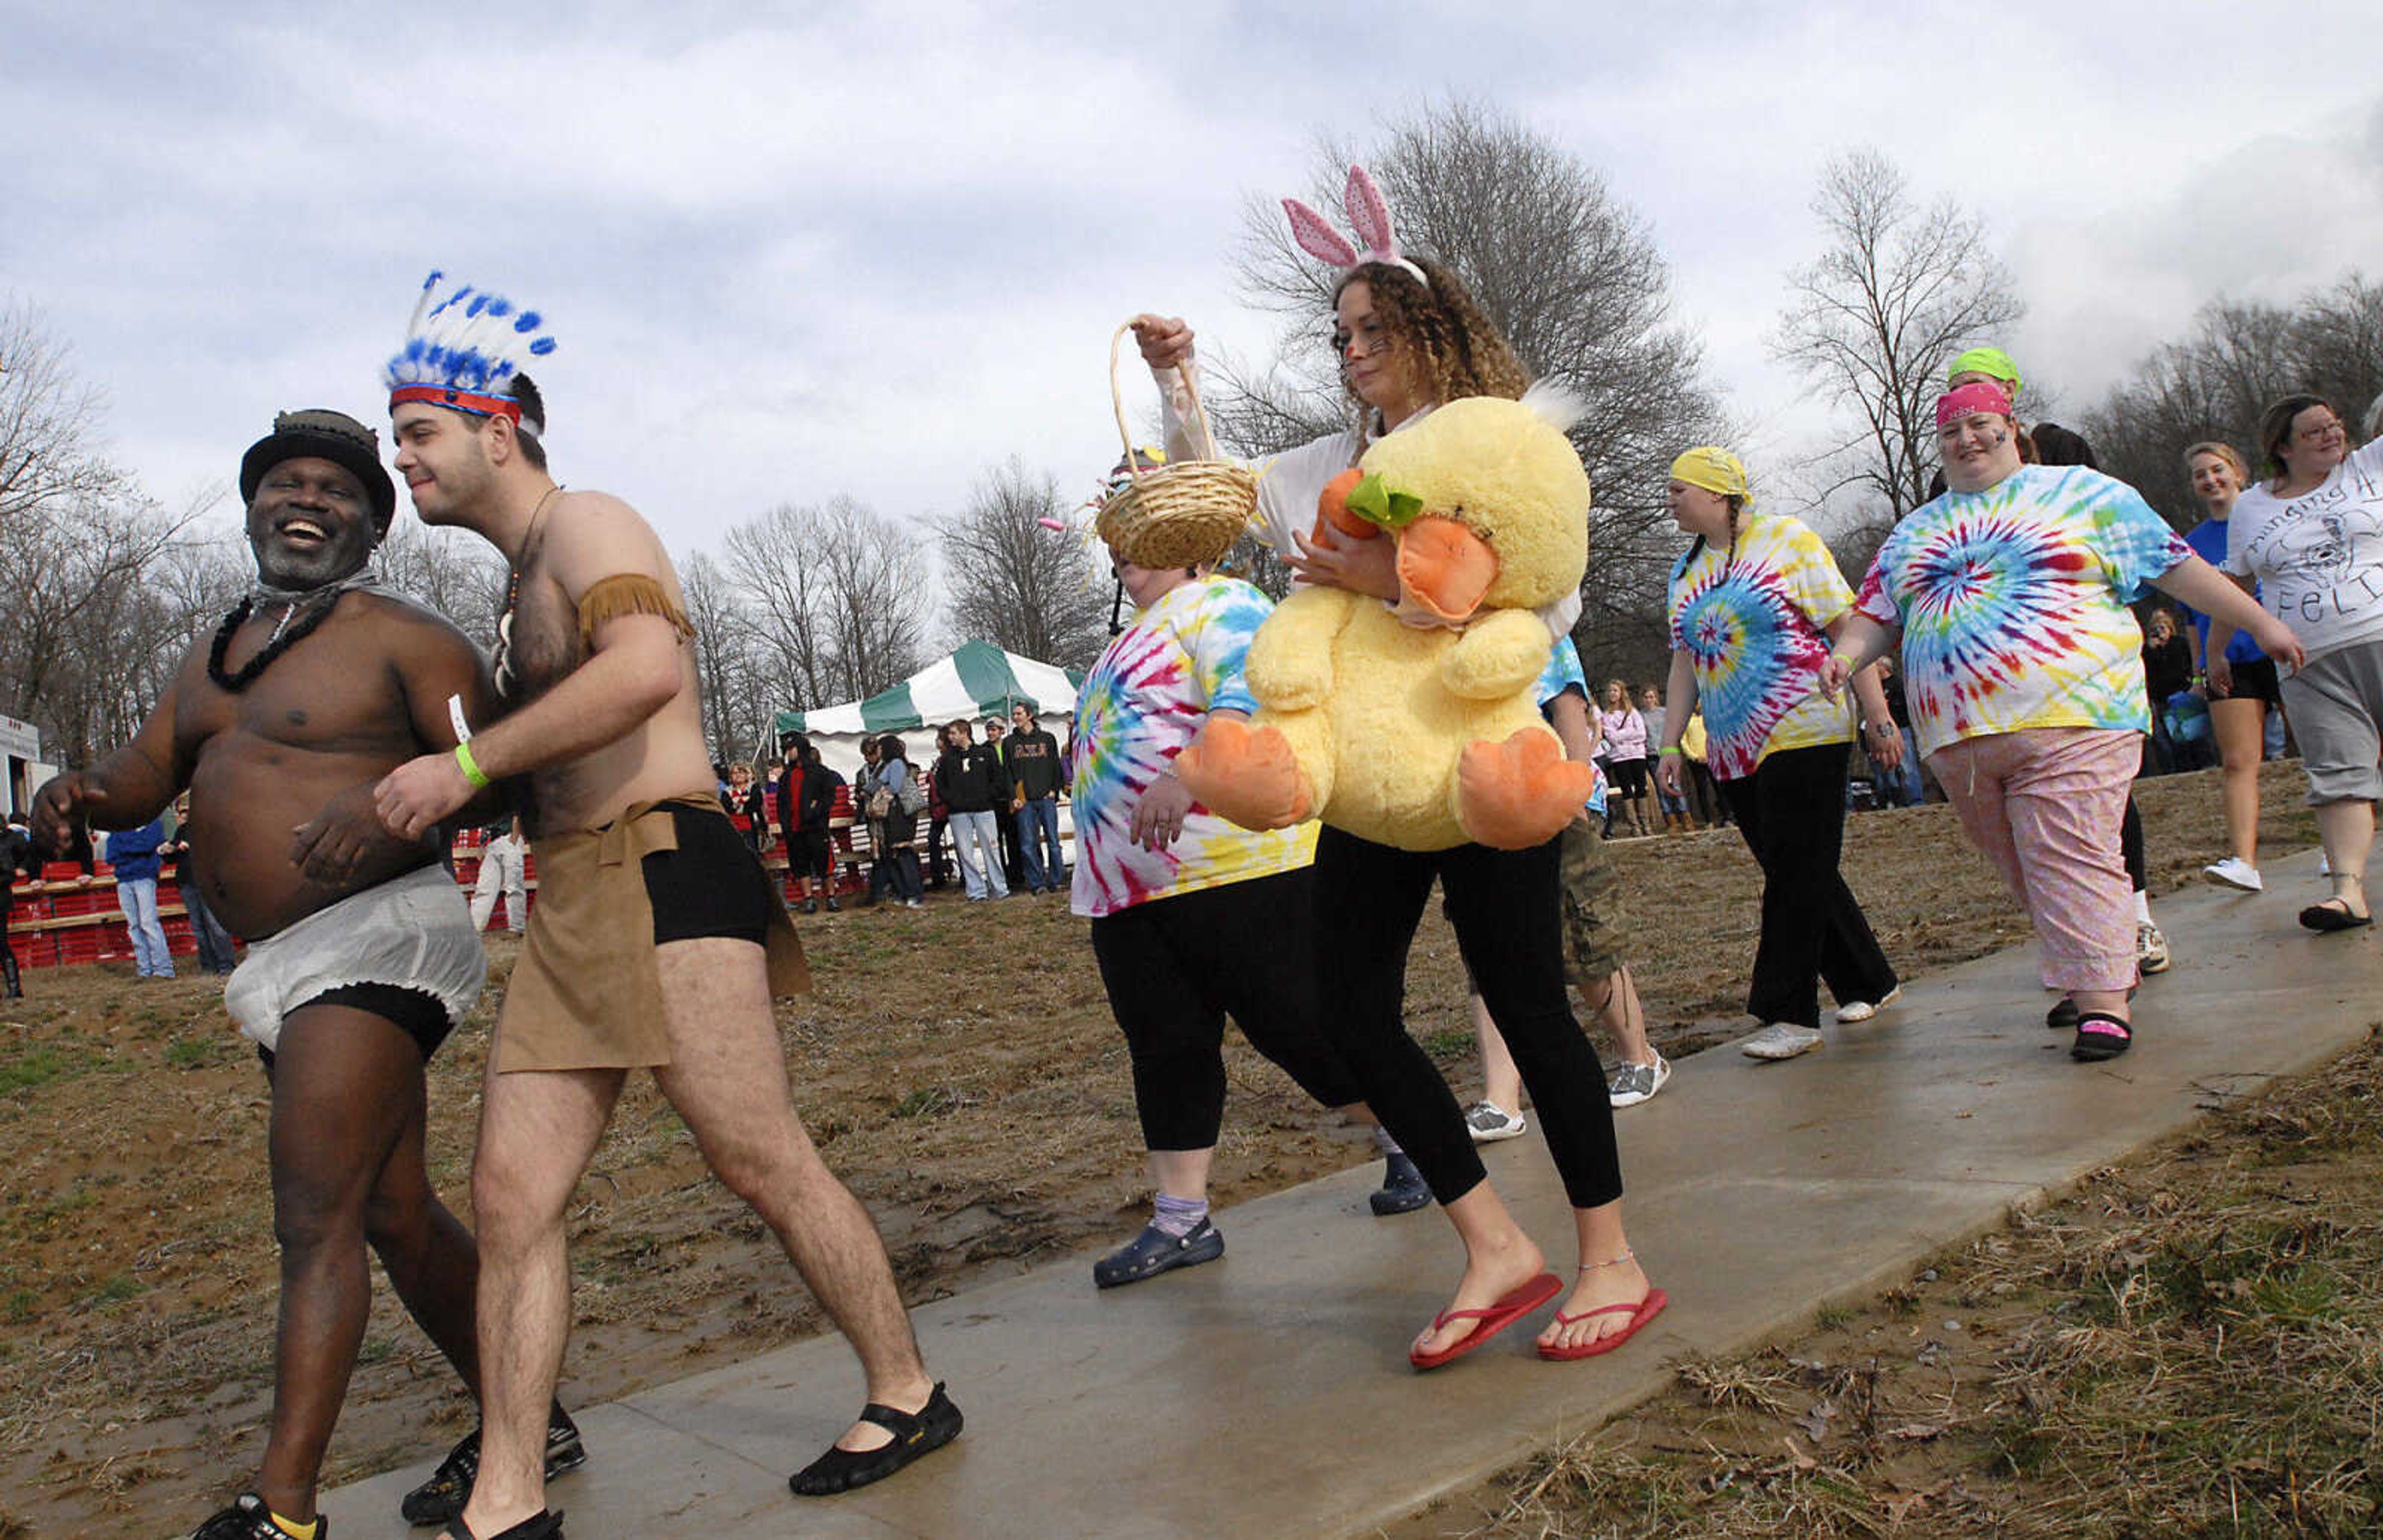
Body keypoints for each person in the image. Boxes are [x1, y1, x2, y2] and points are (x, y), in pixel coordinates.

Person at [369, 279, 955, 1536]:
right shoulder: (522, 570)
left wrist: (465, 765)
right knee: (514, 1196)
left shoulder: (590, 519)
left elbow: (645, 671)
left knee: (758, 1155)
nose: (400, 456)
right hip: (574, 895)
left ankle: (907, 1387)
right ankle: (510, 1493)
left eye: (417, 431)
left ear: (499, 430)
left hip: (664, 866)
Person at [1138, 164, 1659, 1364]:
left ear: (1432, 328)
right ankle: (1493, 1244)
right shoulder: (1336, 455)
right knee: (1348, 1009)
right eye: (1341, 334)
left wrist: (1380, 579)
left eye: (1374, 329)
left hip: (1480, 769)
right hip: (1374, 782)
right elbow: (1212, 496)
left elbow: (1551, 591)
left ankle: (1613, 1259)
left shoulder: (1496, 444)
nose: (1353, 349)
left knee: (1528, 1004)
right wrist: (1179, 381)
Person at [30, 407, 568, 1540]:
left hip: (380, 937)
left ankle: (285, 1507)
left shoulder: (406, 638)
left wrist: (386, 816)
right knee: (388, 1208)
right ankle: (533, 1417)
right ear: (253, 507)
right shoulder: (215, 650)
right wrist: (79, 791)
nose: (306, 501)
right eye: (285, 485)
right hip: (275, 964)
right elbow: (144, 772)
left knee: (312, 1211)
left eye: (335, 490)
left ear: (373, 527)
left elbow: (500, 774)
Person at [1825, 382, 2302, 1060]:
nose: (1967, 441)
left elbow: (2180, 568)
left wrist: (2261, 624)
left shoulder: (2083, 495)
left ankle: (2103, 999)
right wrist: (1844, 661)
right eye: (1952, 433)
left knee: (2070, 850)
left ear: (2012, 428)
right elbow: (1876, 615)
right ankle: (2089, 970)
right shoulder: (1916, 530)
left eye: (1981, 425)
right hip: (1960, 740)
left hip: (2077, 713)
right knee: (2022, 862)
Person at [1072, 532, 1427, 1289]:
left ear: (1189, 544)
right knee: (1166, 1050)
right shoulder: (1124, 637)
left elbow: (1253, 689)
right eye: (1118, 544)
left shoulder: (1223, 601)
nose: (1124, 554)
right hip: (1130, 891)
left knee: (1307, 1031)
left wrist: (1188, 777)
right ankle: (1182, 1220)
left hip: (1237, 873)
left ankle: (1418, 1143)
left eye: (1143, 539)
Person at [1653, 447, 1902, 1060]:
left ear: (1717, 494)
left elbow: (1848, 626)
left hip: (1805, 720)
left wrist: (1877, 714)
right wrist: (1670, 743)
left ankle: (1789, 1010)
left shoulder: (1787, 541)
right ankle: (1869, 978)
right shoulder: (1684, 573)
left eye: (1678, 489)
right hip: (1732, 743)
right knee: (1797, 866)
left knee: (1795, 866)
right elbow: (1685, 660)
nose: (1670, 500)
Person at [1948, 354, 2174, 979]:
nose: (1967, 412)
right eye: (1955, 396)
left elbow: (2119, 536)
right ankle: (2078, 951)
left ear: (2010, 395)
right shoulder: (1954, 476)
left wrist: (2147, 609)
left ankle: (2137, 918)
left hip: (2083, 657)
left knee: (2103, 805)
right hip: (2001, 677)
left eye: (1980, 393)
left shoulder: (2062, 449)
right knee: (2034, 828)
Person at [1468, 640, 1668, 1130]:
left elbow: (1568, 706)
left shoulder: (1534, 624)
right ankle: (1502, 1099)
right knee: (1486, 950)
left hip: (1551, 801)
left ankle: (1640, 1058)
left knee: (1581, 937)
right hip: (1478, 809)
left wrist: (1576, 785)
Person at [2205, 394, 2383, 930]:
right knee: (2337, 772)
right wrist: (2215, 652)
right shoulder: (2252, 507)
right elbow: (2233, 584)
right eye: (2314, 432)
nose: (2332, 436)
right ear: (2281, 447)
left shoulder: (2368, 467)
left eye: (2334, 426)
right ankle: (2348, 892)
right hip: (2310, 661)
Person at [2176, 441, 2285, 887]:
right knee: (2239, 761)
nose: (2210, 480)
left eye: (2217, 470)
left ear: (2237, 472)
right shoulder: (2192, 544)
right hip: (2228, 662)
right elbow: (2190, 620)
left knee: (2324, 751)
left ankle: (2336, 847)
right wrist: (2200, 670)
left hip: (2283, 649)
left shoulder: (2269, 516)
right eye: (2201, 474)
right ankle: (2244, 861)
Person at [933, 719, 1009, 900]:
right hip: (959, 813)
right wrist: (952, 801)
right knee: (965, 853)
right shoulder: (947, 759)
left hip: (984, 809)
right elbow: (940, 784)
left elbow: (998, 779)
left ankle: (999, 888)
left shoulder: (985, 753)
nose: (950, 737)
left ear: (964, 733)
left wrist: (987, 796)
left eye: (953, 733)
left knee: (991, 849)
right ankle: (976, 891)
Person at [168, 793, 241, 975]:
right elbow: (173, 857)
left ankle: (227, 964)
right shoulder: (181, 830)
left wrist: (191, 846)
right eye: (180, 812)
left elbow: (218, 851)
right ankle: (208, 966)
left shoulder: (208, 828)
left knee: (215, 925)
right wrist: (167, 850)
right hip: (186, 882)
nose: (183, 816)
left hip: (206, 881)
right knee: (198, 928)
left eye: (185, 811)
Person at [1007, 701, 1067, 893]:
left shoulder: (1047, 739)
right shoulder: (1010, 742)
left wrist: (1054, 790)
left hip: (1046, 798)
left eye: (1019, 714)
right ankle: (1037, 883)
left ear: (1029, 715)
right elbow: (1007, 773)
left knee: (1053, 842)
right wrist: (1012, 797)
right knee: (1027, 845)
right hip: (1024, 801)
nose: (1015, 717)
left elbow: (1056, 767)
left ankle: (1056, 879)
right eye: (1014, 714)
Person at [105, 813, 175, 978]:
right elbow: (111, 856)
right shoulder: (117, 827)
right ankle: (145, 968)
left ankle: (163, 969)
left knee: (149, 923)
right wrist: (140, 848)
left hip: (145, 878)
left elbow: (150, 844)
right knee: (134, 926)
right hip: (123, 881)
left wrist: (126, 848)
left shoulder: (153, 823)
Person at [778, 737, 841, 914]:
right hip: (795, 829)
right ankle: (809, 899)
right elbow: (781, 803)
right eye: (787, 750)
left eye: (792, 749)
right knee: (801, 864)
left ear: (801, 749)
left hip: (816, 827)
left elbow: (829, 796)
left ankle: (831, 897)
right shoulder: (786, 777)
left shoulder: (820, 772)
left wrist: (817, 810)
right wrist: (786, 825)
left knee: (825, 863)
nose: (789, 753)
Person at [861, 734, 926, 909]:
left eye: (880, 747)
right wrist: (865, 792)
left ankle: (914, 893)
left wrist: (877, 794)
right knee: (893, 856)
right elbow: (877, 783)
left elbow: (895, 787)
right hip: (892, 816)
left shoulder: (897, 764)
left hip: (901, 815)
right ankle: (903, 892)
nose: (878, 751)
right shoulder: (889, 766)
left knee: (903, 854)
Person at [2139, 607, 2197, 774]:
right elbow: (2148, 673)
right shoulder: (2147, 651)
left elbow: (2186, 665)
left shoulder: (2180, 643)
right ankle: (2175, 769)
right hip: (2160, 698)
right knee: (2168, 738)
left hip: (2183, 694)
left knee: (2192, 733)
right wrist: (2152, 650)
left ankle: (2200, 764)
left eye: (2163, 627)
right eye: (2155, 628)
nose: (2159, 631)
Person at [1595, 681, 1653, 838]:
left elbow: (1641, 734)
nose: (1612, 694)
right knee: (1626, 789)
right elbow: (1612, 738)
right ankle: (1634, 826)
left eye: (1615, 690)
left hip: (1637, 754)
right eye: (1610, 691)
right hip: (1619, 757)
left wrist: (1623, 737)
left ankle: (1645, 823)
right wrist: (1629, 734)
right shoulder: (1606, 716)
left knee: (1641, 787)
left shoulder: (1632, 712)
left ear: (1621, 693)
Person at [982, 717, 1027, 890]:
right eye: (989, 730)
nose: (991, 733)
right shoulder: (984, 750)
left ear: (1002, 731)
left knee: (1014, 838)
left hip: (1011, 799)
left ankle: (1017, 874)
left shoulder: (1009, 746)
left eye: (994, 730)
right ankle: (1002, 876)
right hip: (994, 801)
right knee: (996, 841)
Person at [470, 816, 530, 936]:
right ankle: (475, 927)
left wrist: (515, 835)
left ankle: (517, 928)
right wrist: (482, 844)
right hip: (495, 841)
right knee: (485, 886)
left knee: (513, 886)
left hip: (508, 837)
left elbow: (518, 812)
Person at [1, 811, 32, 996]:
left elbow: (30, 855)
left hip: (1, 894)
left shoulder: (12, 839)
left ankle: (14, 987)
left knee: (1, 943)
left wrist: (23, 868)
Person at [720, 761, 766, 859]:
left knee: (753, 856)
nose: (738, 775)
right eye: (734, 773)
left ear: (746, 774)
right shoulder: (726, 792)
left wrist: (736, 803)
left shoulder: (754, 787)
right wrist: (745, 800)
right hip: (734, 829)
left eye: (741, 772)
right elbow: (727, 808)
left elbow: (756, 804)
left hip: (752, 828)